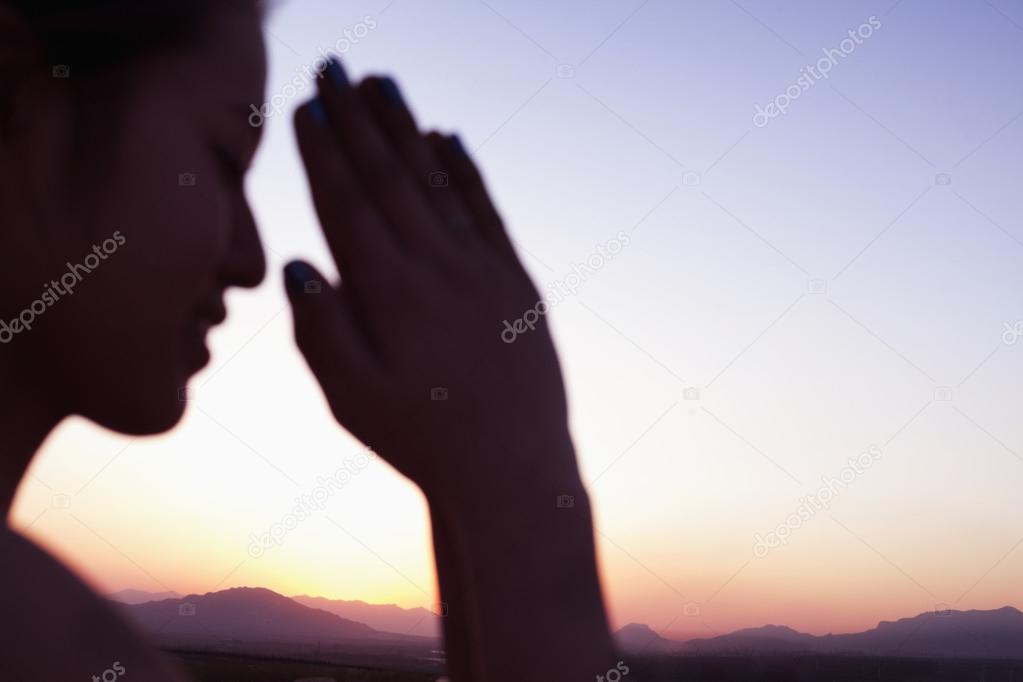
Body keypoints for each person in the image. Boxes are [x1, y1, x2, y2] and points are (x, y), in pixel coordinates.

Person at [0, 1, 618, 680]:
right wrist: (521, 479)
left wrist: (476, 490)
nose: (251, 259)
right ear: (18, 82)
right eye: (225, 160)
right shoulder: (45, 645)